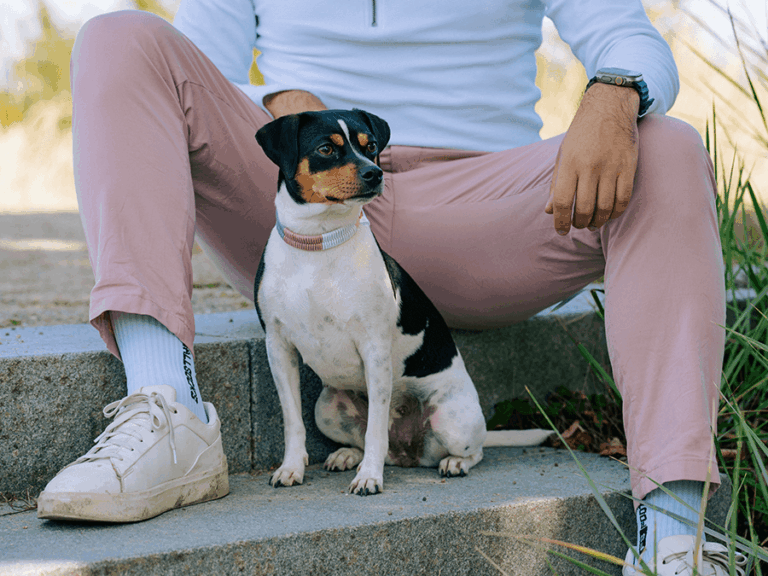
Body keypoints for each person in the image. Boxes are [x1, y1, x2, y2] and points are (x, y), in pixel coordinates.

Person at [38, 0, 743, 573]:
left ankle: (674, 535)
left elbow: (628, 34)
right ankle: (167, 408)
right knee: (119, 38)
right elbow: (204, 72)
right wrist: (282, 103)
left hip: (476, 209)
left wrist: (615, 91)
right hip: (299, 200)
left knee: (669, 147)